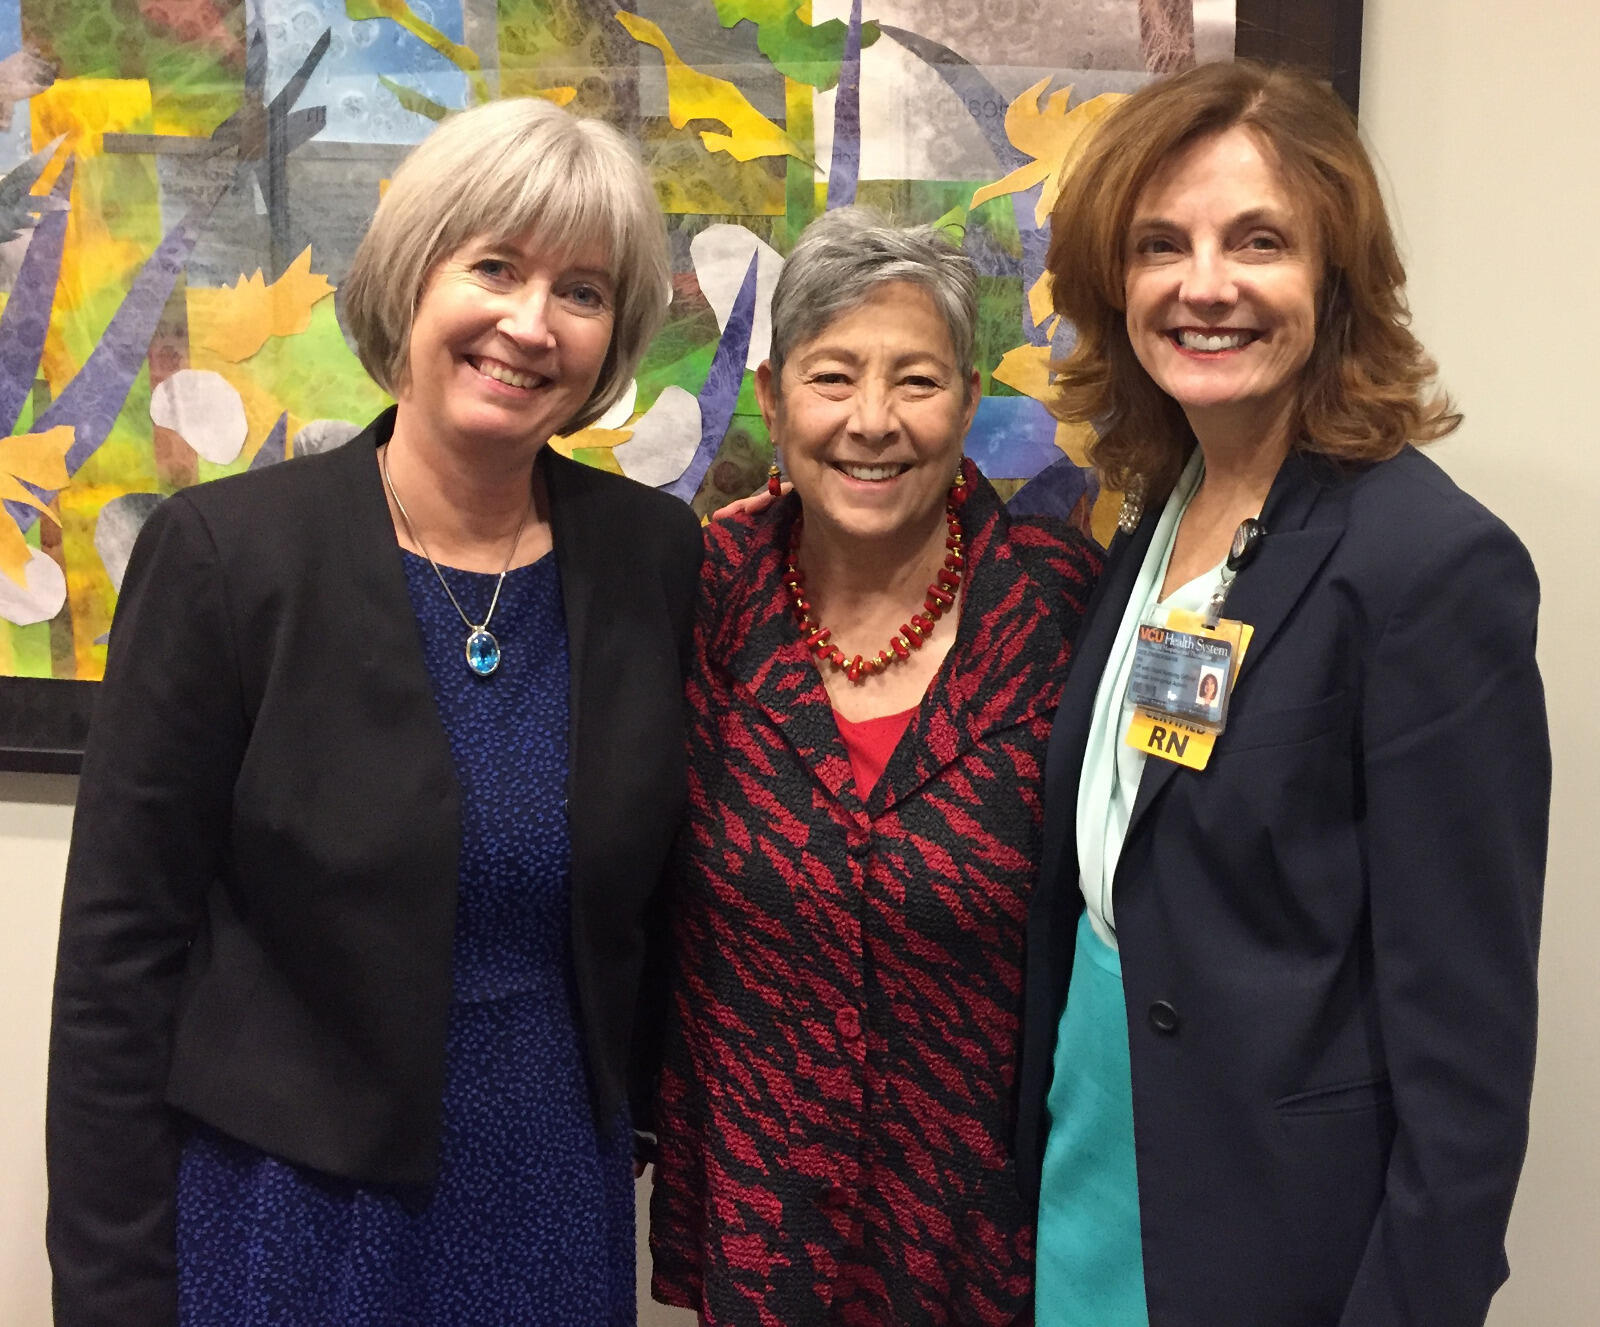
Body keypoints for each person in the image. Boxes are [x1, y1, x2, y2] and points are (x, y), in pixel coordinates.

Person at [46, 98, 701, 1326]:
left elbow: (664, 905)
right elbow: (116, 969)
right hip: (293, 1216)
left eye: (581, 289)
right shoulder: (229, 558)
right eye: (495, 266)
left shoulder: (650, 558)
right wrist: (111, 1293)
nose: (530, 322)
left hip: (552, 1196)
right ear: (413, 278)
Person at [1018, 60, 1549, 1327]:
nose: (1204, 285)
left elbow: (1465, 1051)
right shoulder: (1155, 515)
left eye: (1256, 241)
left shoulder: (1427, 567)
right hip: (1097, 1150)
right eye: (1161, 245)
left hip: (1276, 1235)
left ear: (1335, 278)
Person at [646, 206, 1102, 1326]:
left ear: (965, 403)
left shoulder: (1056, 600)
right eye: (833, 376)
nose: (871, 421)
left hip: (987, 1226)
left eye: (916, 380)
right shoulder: (701, 594)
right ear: (771, 398)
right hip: (763, 1216)